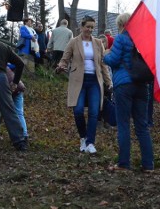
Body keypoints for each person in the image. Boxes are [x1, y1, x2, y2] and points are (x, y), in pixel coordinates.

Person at [103, 13, 154, 171]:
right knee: (142, 126)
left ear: (122, 25)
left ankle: (124, 163)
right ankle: (148, 164)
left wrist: (105, 56)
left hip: (124, 84)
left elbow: (114, 60)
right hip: (142, 84)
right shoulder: (143, 39)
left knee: (124, 124)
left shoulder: (121, 38)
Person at [56, 16, 112, 154]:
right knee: (78, 110)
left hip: (94, 81)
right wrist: (61, 67)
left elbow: (102, 64)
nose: (90, 30)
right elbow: (65, 59)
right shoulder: (73, 42)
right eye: (88, 27)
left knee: (94, 112)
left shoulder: (98, 43)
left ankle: (90, 142)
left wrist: (108, 81)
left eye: (92, 27)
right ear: (82, 27)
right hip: (78, 81)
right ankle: (83, 137)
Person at [0, 63, 28, 141]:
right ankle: (24, 134)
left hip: (10, 90)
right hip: (18, 88)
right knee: (19, 113)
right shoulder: (5, 66)